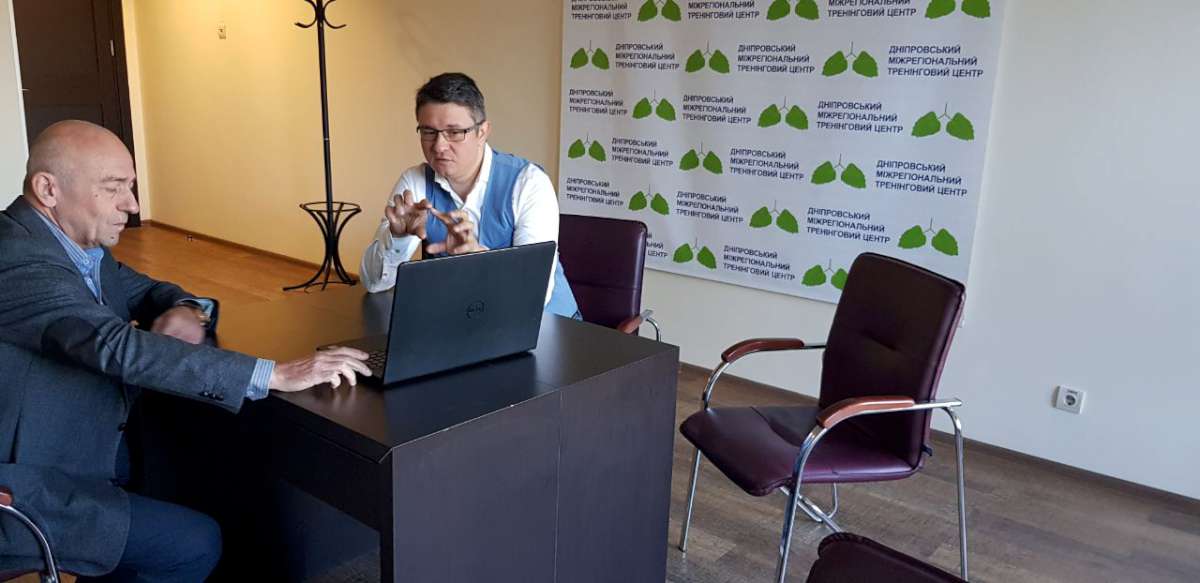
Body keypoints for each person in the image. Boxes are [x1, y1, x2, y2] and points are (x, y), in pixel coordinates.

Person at [0, 120, 371, 581]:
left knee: (209, 474)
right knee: (194, 545)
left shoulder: (73, 245)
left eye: (131, 186)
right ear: (47, 189)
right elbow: (115, 346)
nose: (132, 205)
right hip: (28, 479)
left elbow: (150, 290)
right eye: (113, 188)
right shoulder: (16, 257)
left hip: (86, 435)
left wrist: (188, 309)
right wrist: (272, 374)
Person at [359, 72, 579, 318]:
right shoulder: (416, 183)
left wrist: (481, 262)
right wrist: (398, 238)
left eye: (454, 132)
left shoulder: (529, 183)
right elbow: (374, 284)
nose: (439, 146)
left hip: (547, 324)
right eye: (429, 132)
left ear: (482, 132)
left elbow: (534, 295)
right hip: (463, 322)